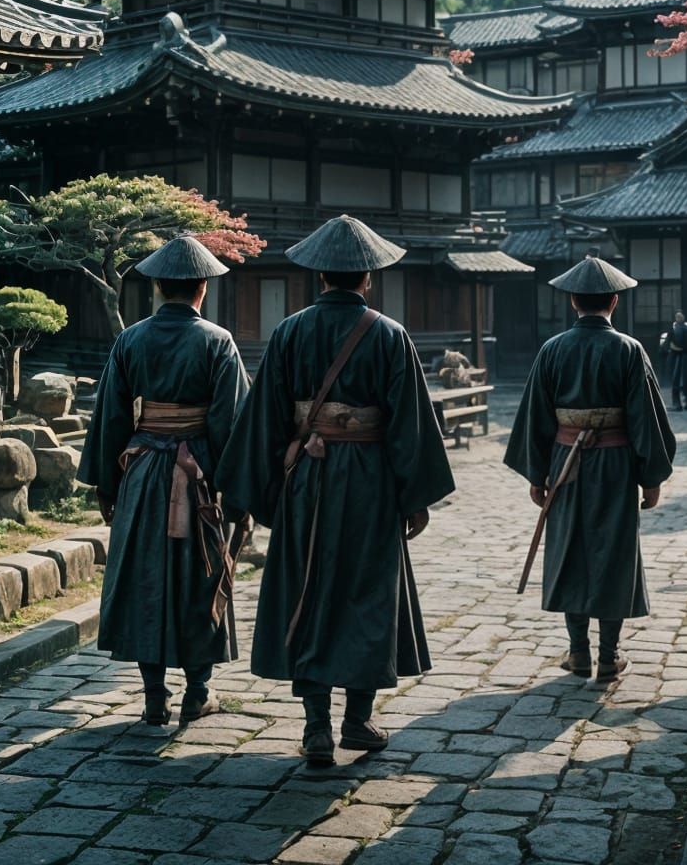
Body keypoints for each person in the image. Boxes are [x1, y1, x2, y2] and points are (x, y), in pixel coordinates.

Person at [217, 215, 455, 768]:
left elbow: (264, 420)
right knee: (367, 592)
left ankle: (316, 726)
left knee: (309, 588)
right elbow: (409, 425)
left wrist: (259, 493)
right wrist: (414, 496)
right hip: (371, 482)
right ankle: (358, 719)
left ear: (319, 275)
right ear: (368, 277)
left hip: (305, 479)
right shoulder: (390, 335)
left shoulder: (289, 332)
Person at [77, 233, 249, 727]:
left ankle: (155, 695)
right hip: (198, 477)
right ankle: (198, 692)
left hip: (142, 471)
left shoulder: (131, 339)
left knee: (143, 577)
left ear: (157, 288)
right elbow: (230, 422)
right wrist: (235, 493)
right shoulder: (218, 341)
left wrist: (107, 485)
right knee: (202, 574)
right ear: (202, 288)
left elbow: (111, 417)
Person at [505, 255, 675, 682]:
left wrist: (536, 475)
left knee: (571, 549)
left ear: (573, 301)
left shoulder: (552, 349)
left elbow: (535, 417)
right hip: (616, 466)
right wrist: (651, 477)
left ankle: (578, 652)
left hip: (566, 464)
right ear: (614, 301)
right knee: (614, 552)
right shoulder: (629, 350)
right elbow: (645, 419)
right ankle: (609, 656)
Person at [666, 311, 687, 411]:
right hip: (684, 356)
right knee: (685, 380)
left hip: (679, 357)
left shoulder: (677, 328)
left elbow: (668, 343)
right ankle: (685, 402)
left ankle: (681, 403)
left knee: (679, 380)